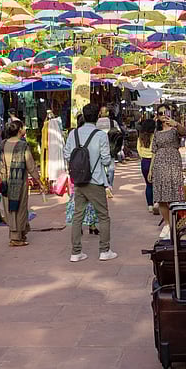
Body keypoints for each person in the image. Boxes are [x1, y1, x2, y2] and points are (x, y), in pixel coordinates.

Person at [64, 102, 115, 262]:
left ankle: (75, 252)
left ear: (84, 116)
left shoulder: (73, 134)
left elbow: (67, 155)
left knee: (78, 216)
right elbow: (106, 160)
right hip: (96, 180)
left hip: (78, 181)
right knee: (103, 216)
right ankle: (104, 250)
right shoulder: (100, 135)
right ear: (98, 117)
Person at [0, 121, 40, 247]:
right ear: (20, 130)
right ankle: (16, 237)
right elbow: (30, 166)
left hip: (5, 182)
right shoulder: (22, 145)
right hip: (19, 181)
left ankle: (19, 233)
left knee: (10, 209)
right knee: (20, 209)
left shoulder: (1, 145)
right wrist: (39, 181)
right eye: (23, 127)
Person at [150, 105, 186, 230]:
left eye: (165, 112)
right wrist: (151, 169)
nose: (163, 115)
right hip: (159, 163)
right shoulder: (157, 131)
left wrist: (175, 123)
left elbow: (184, 132)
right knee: (161, 196)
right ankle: (167, 224)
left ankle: (175, 223)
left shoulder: (175, 128)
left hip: (173, 163)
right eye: (160, 113)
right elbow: (154, 151)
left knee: (174, 194)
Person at [65, 115, 99, 235]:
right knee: (91, 200)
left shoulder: (72, 135)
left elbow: (67, 154)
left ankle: (79, 225)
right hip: (91, 174)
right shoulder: (96, 135)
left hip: (76, 174)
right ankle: (92, 225)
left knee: (77, 201)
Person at [41, 108, 67, 188]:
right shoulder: (57, 122)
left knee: (51, 166)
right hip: (56, 146)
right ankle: (58, 184)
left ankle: (53, 184)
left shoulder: (47, 124)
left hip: (50, 147)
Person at [137, 117, 156, 215]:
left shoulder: (141, 137)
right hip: (154, 161)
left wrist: (143, 157)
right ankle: (157, 203)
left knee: (148, 185)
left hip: (144, 161)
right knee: (156, 184)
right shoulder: (155, 136)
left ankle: (150, 205)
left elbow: (138, 149)